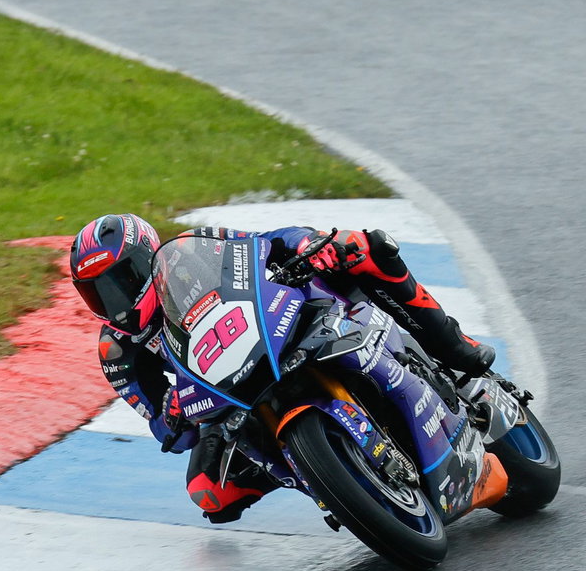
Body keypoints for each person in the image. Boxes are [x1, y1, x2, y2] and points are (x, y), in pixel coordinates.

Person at [68, 213, 495, 524]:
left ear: (147, 259)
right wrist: (172, 412)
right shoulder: (117, 352)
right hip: (223, 396)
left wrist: (310, 245)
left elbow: (266, 242)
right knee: (210, 492)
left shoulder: (190, 251)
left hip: (283, 323)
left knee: (365, 247)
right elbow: (162, 427)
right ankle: (324, 476)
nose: (113, 301)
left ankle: (454, 346)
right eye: (97, 293)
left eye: (120, 281)